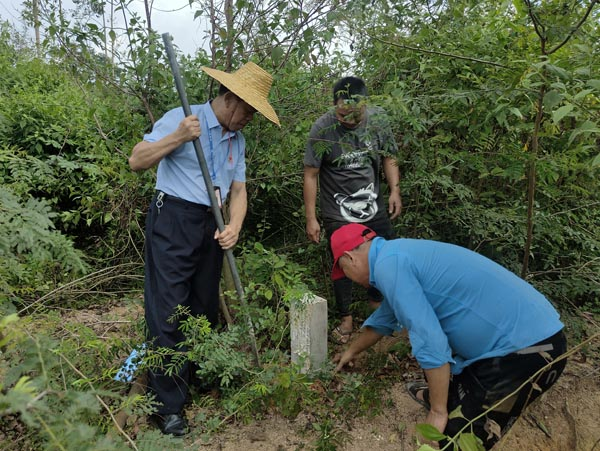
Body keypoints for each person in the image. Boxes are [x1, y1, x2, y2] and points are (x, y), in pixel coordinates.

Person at [129, 62, 279, 436]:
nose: (249, 120)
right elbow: (137, 161)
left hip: (211, 226)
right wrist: (177, 138)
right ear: (230, 99)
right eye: (248, 111)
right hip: (174, 219)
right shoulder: (182, 118)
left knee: (203, 307)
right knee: (168, 309)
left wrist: (235, 226)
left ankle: (193, 376)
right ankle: (167, 407)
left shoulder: (237, 139)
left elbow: (239, 191)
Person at [331, 223, 567, 450]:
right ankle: (450, 397)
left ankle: (446, 406)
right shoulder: (394, 255)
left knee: (453, 440)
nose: (349, 278)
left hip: (529, 350)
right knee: (453, 393)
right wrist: (351, 351)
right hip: (527, 338)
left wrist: (437, 411)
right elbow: (384, 319)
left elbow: (429, 340)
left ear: (350, 258)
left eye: (345, 272)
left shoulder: (388, 266)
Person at [303, 76, 402, 344]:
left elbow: (389, 157)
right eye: (341, 113)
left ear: (365, 106)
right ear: (335, 106)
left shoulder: (378, 120)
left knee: (383, 255)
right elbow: (311, 174)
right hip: (338, 209)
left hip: (373, 204)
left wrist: (394, 190)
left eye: (354, 113)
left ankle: (377, 308)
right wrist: (311, 218)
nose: (347, 118)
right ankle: (345, 319)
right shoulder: (322, 128)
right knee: (343, 261)